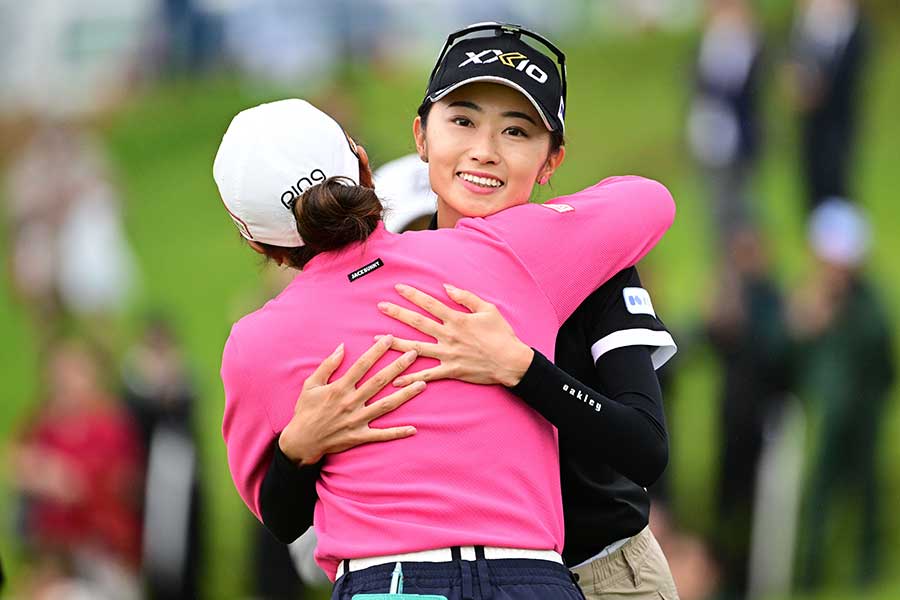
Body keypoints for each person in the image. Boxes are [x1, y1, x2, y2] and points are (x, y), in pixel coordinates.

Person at [265, 23, 681, 600]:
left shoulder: (596, 262)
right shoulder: (375, 282)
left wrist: (520, 367)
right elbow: (286, 520)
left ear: (550, 161)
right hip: (446, 581)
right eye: (462, 121)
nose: (485, 150)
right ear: (421, 136)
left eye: (516, 131)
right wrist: (296, 447)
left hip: (605, 572)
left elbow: (645, 448)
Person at [790, 199, 894, 590]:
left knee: (866, 491)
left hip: (864, 413)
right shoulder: (811, 300)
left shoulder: (867, 302)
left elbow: (881, 357)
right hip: (826, 415)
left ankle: (868, 565)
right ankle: (810, 571)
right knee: (820, 492)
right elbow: (794, 355)